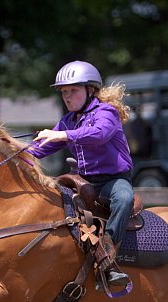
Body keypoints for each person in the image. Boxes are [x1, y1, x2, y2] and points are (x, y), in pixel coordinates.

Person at [31, 60, 134, 287]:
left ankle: (107, 254)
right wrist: (9, 153)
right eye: (64, 92)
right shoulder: (68, 121)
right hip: (83, 182)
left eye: (73, 91)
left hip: (113, 181)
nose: (67, 96)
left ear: (90, 90)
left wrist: (63, 136)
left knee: (124, 198)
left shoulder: (106, 112)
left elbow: (98, 134)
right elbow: (38, 149)